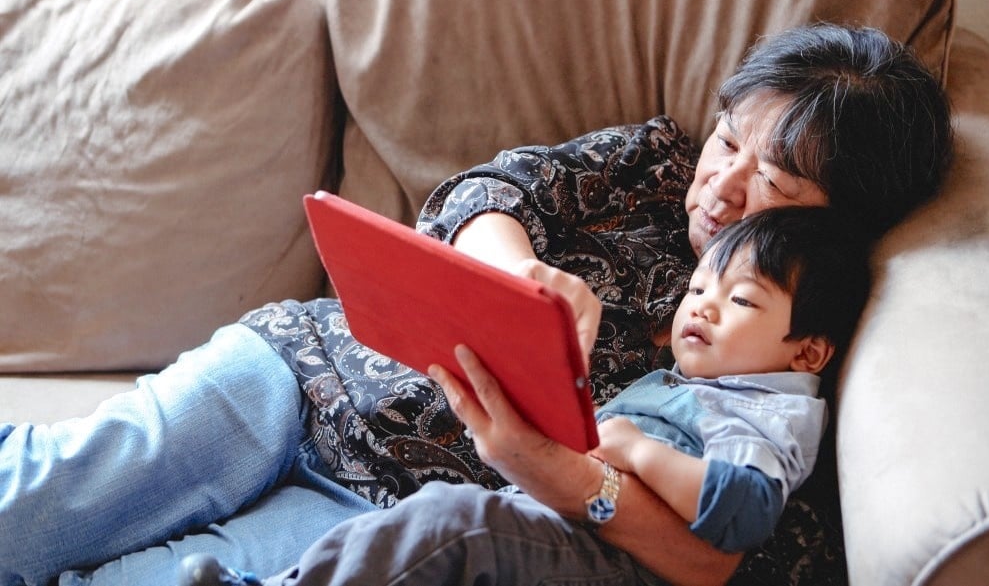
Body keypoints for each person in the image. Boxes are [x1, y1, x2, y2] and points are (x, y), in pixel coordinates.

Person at [0, 23, 953, 586]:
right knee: (32, 506)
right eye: (728, 140)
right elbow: (482, 192)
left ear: (843, 220)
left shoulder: (794, 346)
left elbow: (736, 562)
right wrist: (518, 271)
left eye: (776, 183)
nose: (723, 185)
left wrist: (558, 471)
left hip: (377, 501)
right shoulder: (653, 165)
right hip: (302, 374)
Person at [180, 204, 873, 586]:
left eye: (741, 298)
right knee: (433, 526)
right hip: (555, 526)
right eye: (699, 289)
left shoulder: (767, 408)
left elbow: (744, 511)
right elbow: (479, 195)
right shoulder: (706, 386)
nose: (703, 308)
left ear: (808, 349)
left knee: (453, 521)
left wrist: (633, 448)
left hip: (615, 562)